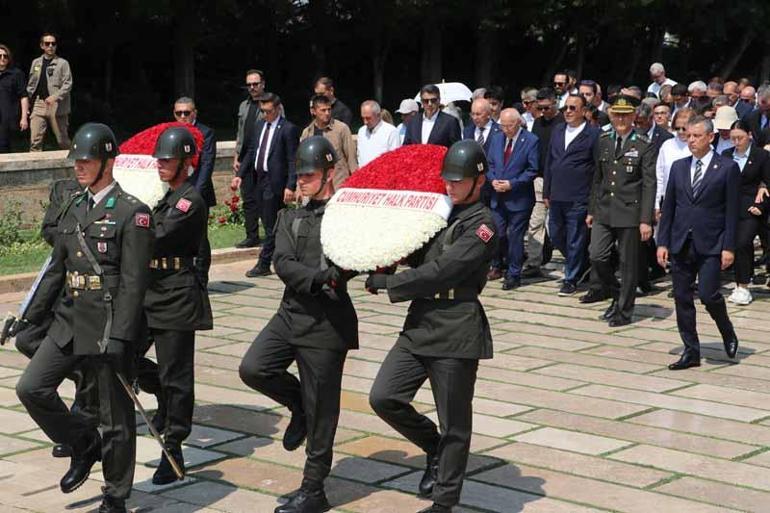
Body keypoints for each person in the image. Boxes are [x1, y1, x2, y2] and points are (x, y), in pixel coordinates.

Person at [15, 123, 153, 513]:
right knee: (31, 388)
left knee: (115, 417)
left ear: (109, 163)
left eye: (87, 160)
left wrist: (122, 337)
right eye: (76, 160)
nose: (78, 166)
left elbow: (134, 283)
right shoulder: (74, 206)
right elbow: (55, 271)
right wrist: (28, 319)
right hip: (70, 319)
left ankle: (115, 495)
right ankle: (83, 442)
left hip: (107, 324)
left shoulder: (132, 213)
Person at [367, 140, 496, 513]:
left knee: (454, 424)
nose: (450, 186)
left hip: (456, 327)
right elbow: (414, 249)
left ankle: (444, 502)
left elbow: (443, 271)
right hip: (421, 322)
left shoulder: (483, 226)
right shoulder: (439, 213)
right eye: (447, 180)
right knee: (384, 397)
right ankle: (434, 447)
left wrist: (390, 283)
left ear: (479, 181)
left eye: (458, 181)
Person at [238, 136, 358, 513]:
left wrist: (342, 273)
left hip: (327, 324)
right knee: (254, 368)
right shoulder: (289, 217)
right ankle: (298, 406)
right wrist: (319, 279)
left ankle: (313, 489)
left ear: (329, 173)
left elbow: (355, 259)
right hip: (291, 313)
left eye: (309, 175)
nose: (301, 181)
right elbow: (283, 262)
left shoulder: (347, 216)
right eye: (300, 175)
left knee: (323, 410)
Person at [139, 126, 214, 485]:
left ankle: (174, 446)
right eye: (159, 159)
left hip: (176, 295)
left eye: (167, 160)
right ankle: (160, 394)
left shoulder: (189, 201)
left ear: (186, 163)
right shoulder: (165, 198)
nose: (160, 164)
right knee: (122, 356)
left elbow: (157, 236)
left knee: (177, 376)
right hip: (151, 291)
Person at [15, 177, 95, 459]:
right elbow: (49, 230)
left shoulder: (123, 204)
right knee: (27, 341)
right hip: (66, 287)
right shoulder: (66, 189)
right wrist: (28, 316)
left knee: (98, 362)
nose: (80, 166)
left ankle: (85, 427)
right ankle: (81, 434)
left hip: (99, 303)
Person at [658, 116, 740, 370]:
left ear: (710, 137)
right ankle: (691, 351)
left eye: (696, 136)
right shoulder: (679, 167)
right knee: (682, 297)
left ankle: (726, 330)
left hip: (711, 242)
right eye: (688, 135)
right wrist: (663, 242)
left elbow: (732, 212)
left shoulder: (726, 168)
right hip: (681, 241)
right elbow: (669, 207)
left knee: (708, 294)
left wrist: (729, 247)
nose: (691, 140)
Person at [587, 95, 656, 327]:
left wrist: (645, 219)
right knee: (597, 255)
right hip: (604, 208)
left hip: (630, 211)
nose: (621, 120)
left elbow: (649, 184)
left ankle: (624, 311)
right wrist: (591, 209)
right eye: (617, 115)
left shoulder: (643, 144)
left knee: (628, 264)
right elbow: (597, 178)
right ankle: (617, 294)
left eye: (625, 115)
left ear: (634, 116)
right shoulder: (604, 140)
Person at [232, 93, 299, 278]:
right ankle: (286, 255)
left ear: (277, 109)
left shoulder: (288, 129)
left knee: (271, 225)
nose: (265, 114)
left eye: (268, 111)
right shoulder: (260, 125)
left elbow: (292, 160)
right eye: (262, 111)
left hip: (275, 181)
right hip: (258, 179)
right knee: (269, 222)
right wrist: (240, 175)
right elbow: (252, 151)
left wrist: (290, 185)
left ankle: (264, 262)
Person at [543, 94, 600, 296]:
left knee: (575, 237)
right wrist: (547, 190)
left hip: (579, 195)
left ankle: (571, 278)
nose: (567, 111)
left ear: (584, 111)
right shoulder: (558, 130)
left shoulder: (593, 134)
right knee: (556, 233)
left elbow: (597, 169)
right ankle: (581, 263)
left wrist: (593, 200)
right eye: (565, 108)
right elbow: (549, 161)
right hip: (557, 194)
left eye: (572, 108)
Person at [486, 109, 539, 289]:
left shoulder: (531, 140)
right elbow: (489, 164)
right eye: (502, 125)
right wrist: (493, 180)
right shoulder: (496, 139)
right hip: (497, 196)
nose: (505, 129)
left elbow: (532, 169)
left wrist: (512, 184)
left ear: (518, 123)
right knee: (497, 233)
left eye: (509, 126)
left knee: (515, 236)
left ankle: (514, 274)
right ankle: (499, 264)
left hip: (519, 198)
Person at [722, 121, 770, 305]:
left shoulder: (761, 156)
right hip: (729, 207)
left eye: (740, 138)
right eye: (733, 138)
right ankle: (741, 280)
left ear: (749, 135)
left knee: (743, 242)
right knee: (735, 244)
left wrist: (761, 205)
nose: (736, 142)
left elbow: (768, 182)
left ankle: (743, 286)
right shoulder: (727, 155)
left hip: (752, 208)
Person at [173, 97, 216, 285]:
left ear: (194, 113)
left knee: (199, 237)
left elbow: (206, 165)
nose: (183, 116)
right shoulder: (172, 132)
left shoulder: (206, 133)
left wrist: (194, 195)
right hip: (176, 193)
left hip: (198, 192)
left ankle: (201, 277)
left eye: (186, 112)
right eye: (179, 113)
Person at [526, 87, 563, 277]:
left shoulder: (563, 123)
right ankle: (534, 262)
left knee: (559, 226)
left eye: (547, 108)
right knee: (535, 222)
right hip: (539, 178)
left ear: (555, 103)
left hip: (560, 180)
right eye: (539, 108)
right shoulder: (537, 123)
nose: (543, 112)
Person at [234, 69, 267, 248]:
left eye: (255, 84)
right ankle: (251, 236)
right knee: (248, 199)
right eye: (249, 84)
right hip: (245, 157)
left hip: (262, 156)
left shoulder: (271, 104)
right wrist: (236, 156)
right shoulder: (243, 106)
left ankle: (271, 236)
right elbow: (240, 133)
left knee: (265, 198)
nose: (252, 87)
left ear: (263, 84)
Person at [27, 33, 72, 152]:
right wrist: (28, 103)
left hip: (57, 105)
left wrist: (55, 97)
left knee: (62, 141)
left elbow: (68, 84)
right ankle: (35, 162)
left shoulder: (63, 63)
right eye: (47, 44)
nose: (51, 46)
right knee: (35, 140)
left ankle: (73, 162)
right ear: (42, 46)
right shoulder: (36, 63)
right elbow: (31, 85)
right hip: (39, 104)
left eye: (53, 43)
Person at [301, 94, 357, 188]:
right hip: (316, 187)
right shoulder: (307, 133)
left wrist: (356, 182)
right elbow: (304, 163)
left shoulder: (341, 129)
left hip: (338, 184)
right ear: (313, 111)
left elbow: (351, 159)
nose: (327, 113)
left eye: (329, 109)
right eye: (323, 110)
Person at [0, 43, 29, 152]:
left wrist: (24, 118)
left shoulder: (16, 74)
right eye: (0, 56)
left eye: (5, 56)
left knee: (5, 149)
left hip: (8, 119)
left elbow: (24, 96)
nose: (2, 58)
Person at [357, 99, 400, 166]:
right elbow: (359, 155)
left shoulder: (391, 131)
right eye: (363, 118)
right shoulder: (361, 131)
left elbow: (395, 158)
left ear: (378, 115)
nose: (365, 122)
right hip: (364, 171)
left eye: (368, 118)